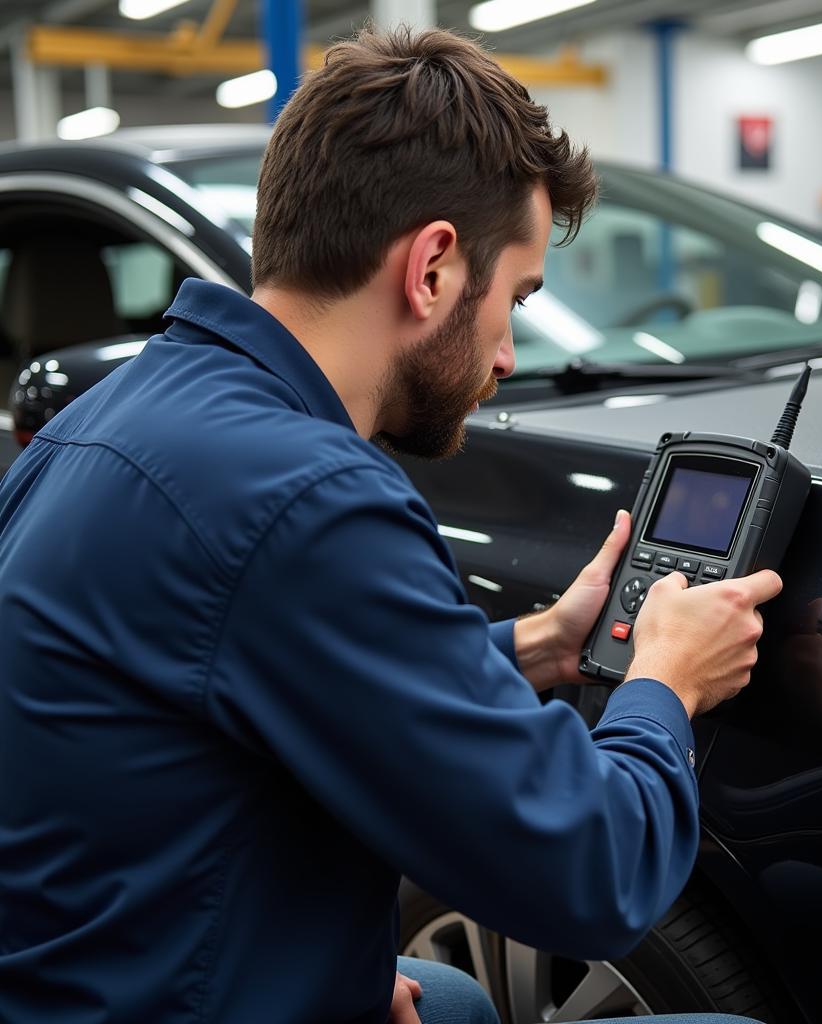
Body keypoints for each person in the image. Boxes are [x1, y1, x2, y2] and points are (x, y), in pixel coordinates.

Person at [0, 26, 781, 1024]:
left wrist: (538, 643)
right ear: (433, 269)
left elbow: (242, 680)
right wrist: (667, 685)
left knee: (448, 993)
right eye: (517, 301)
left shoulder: (106, 421)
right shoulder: (306, 496)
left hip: (96, 976)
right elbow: (592, 877)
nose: (505, 355)